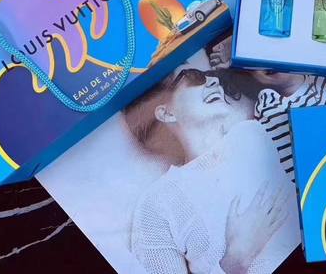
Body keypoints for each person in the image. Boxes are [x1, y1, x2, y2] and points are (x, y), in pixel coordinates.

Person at [124, 52, 299, 274]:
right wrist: (236, 258)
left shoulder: (256, 132)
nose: (213, 81)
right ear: (166, 112)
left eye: (210, 74)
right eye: (194, 76)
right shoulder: (157, 203)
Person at [208, 38, 326, 182]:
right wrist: (237, 57)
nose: (264, 63)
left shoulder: (321, 71)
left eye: (268, 53)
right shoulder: (270, 105)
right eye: (253, 65)